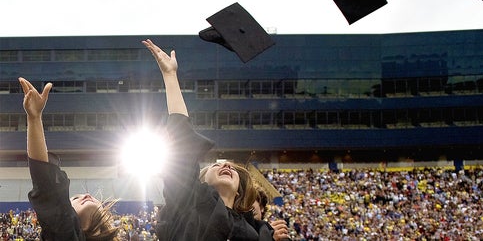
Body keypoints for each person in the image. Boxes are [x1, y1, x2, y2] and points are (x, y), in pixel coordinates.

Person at [142, 39, 289, 241]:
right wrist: (170, 75)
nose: (227, 165)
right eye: (214, 167)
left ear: (239, 192)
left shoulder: (254, 233)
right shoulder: (186, 205)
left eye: (232, 169)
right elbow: (182, 140)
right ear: (200, 182)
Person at [18, 77, 119, 241]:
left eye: (76, 197)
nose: (85, 195)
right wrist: (34, 119)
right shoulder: (64, 234)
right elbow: (49, 190)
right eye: (74, 199)